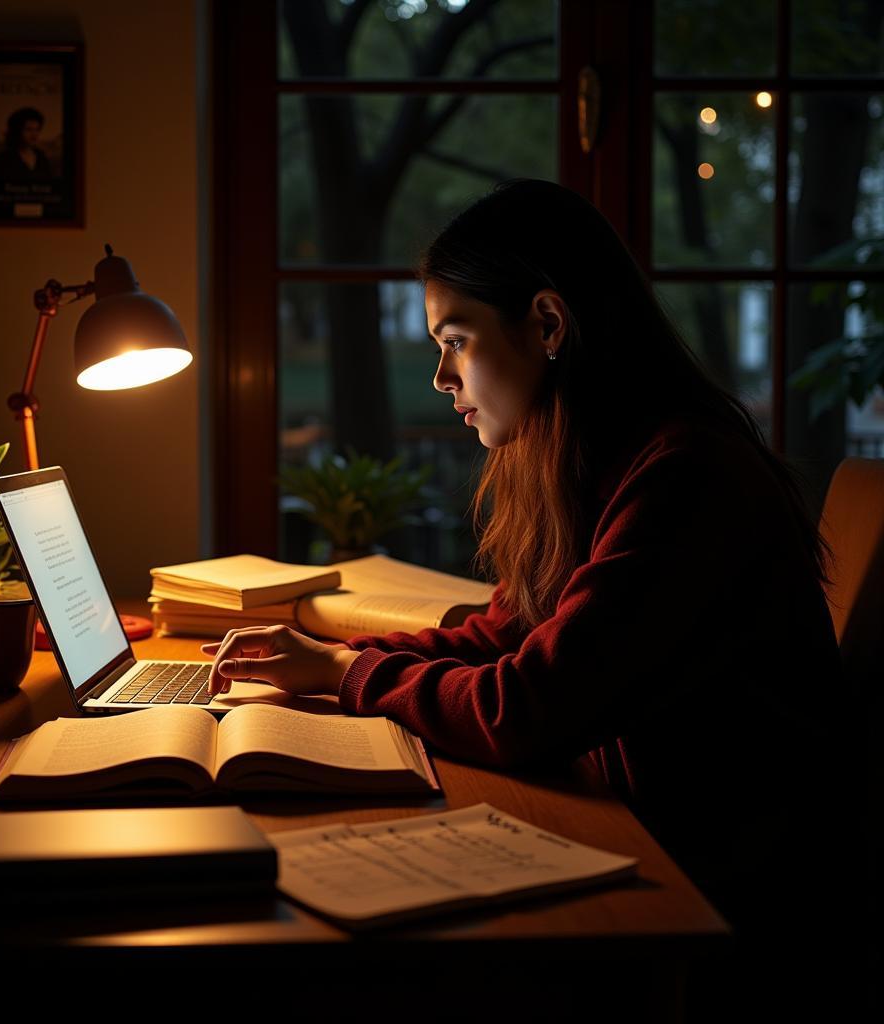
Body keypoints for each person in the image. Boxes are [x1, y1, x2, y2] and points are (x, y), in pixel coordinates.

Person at [202, 179, 857, 1012]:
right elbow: (501, 636)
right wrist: (332, 662)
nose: (441, 375)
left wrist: (341, 673)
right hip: (650, 832)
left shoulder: (685, 477)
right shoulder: (594, 460)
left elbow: (525, 704)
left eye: (457, 339)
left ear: (548, 324)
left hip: (730, 900)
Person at [0, 107, 53, 184]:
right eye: (28, 129)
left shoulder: (41, 157)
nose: (34, 135)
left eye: (37, 130)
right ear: (17, 131)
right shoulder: (3, 159)